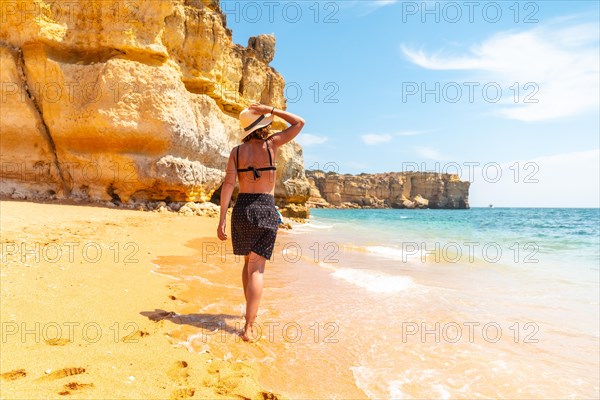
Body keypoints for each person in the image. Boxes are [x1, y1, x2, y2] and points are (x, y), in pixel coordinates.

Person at [217, 103, 305, 342]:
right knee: (257, 268)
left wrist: (222, 217)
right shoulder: (272, 145)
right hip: (265, 208)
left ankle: (249, 313)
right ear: (264, 125)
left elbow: (227, 185)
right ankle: (249, 325)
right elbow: (299, 123)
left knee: (248, 265)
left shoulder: (236, 152)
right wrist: (272, 109)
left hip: (243, 208)